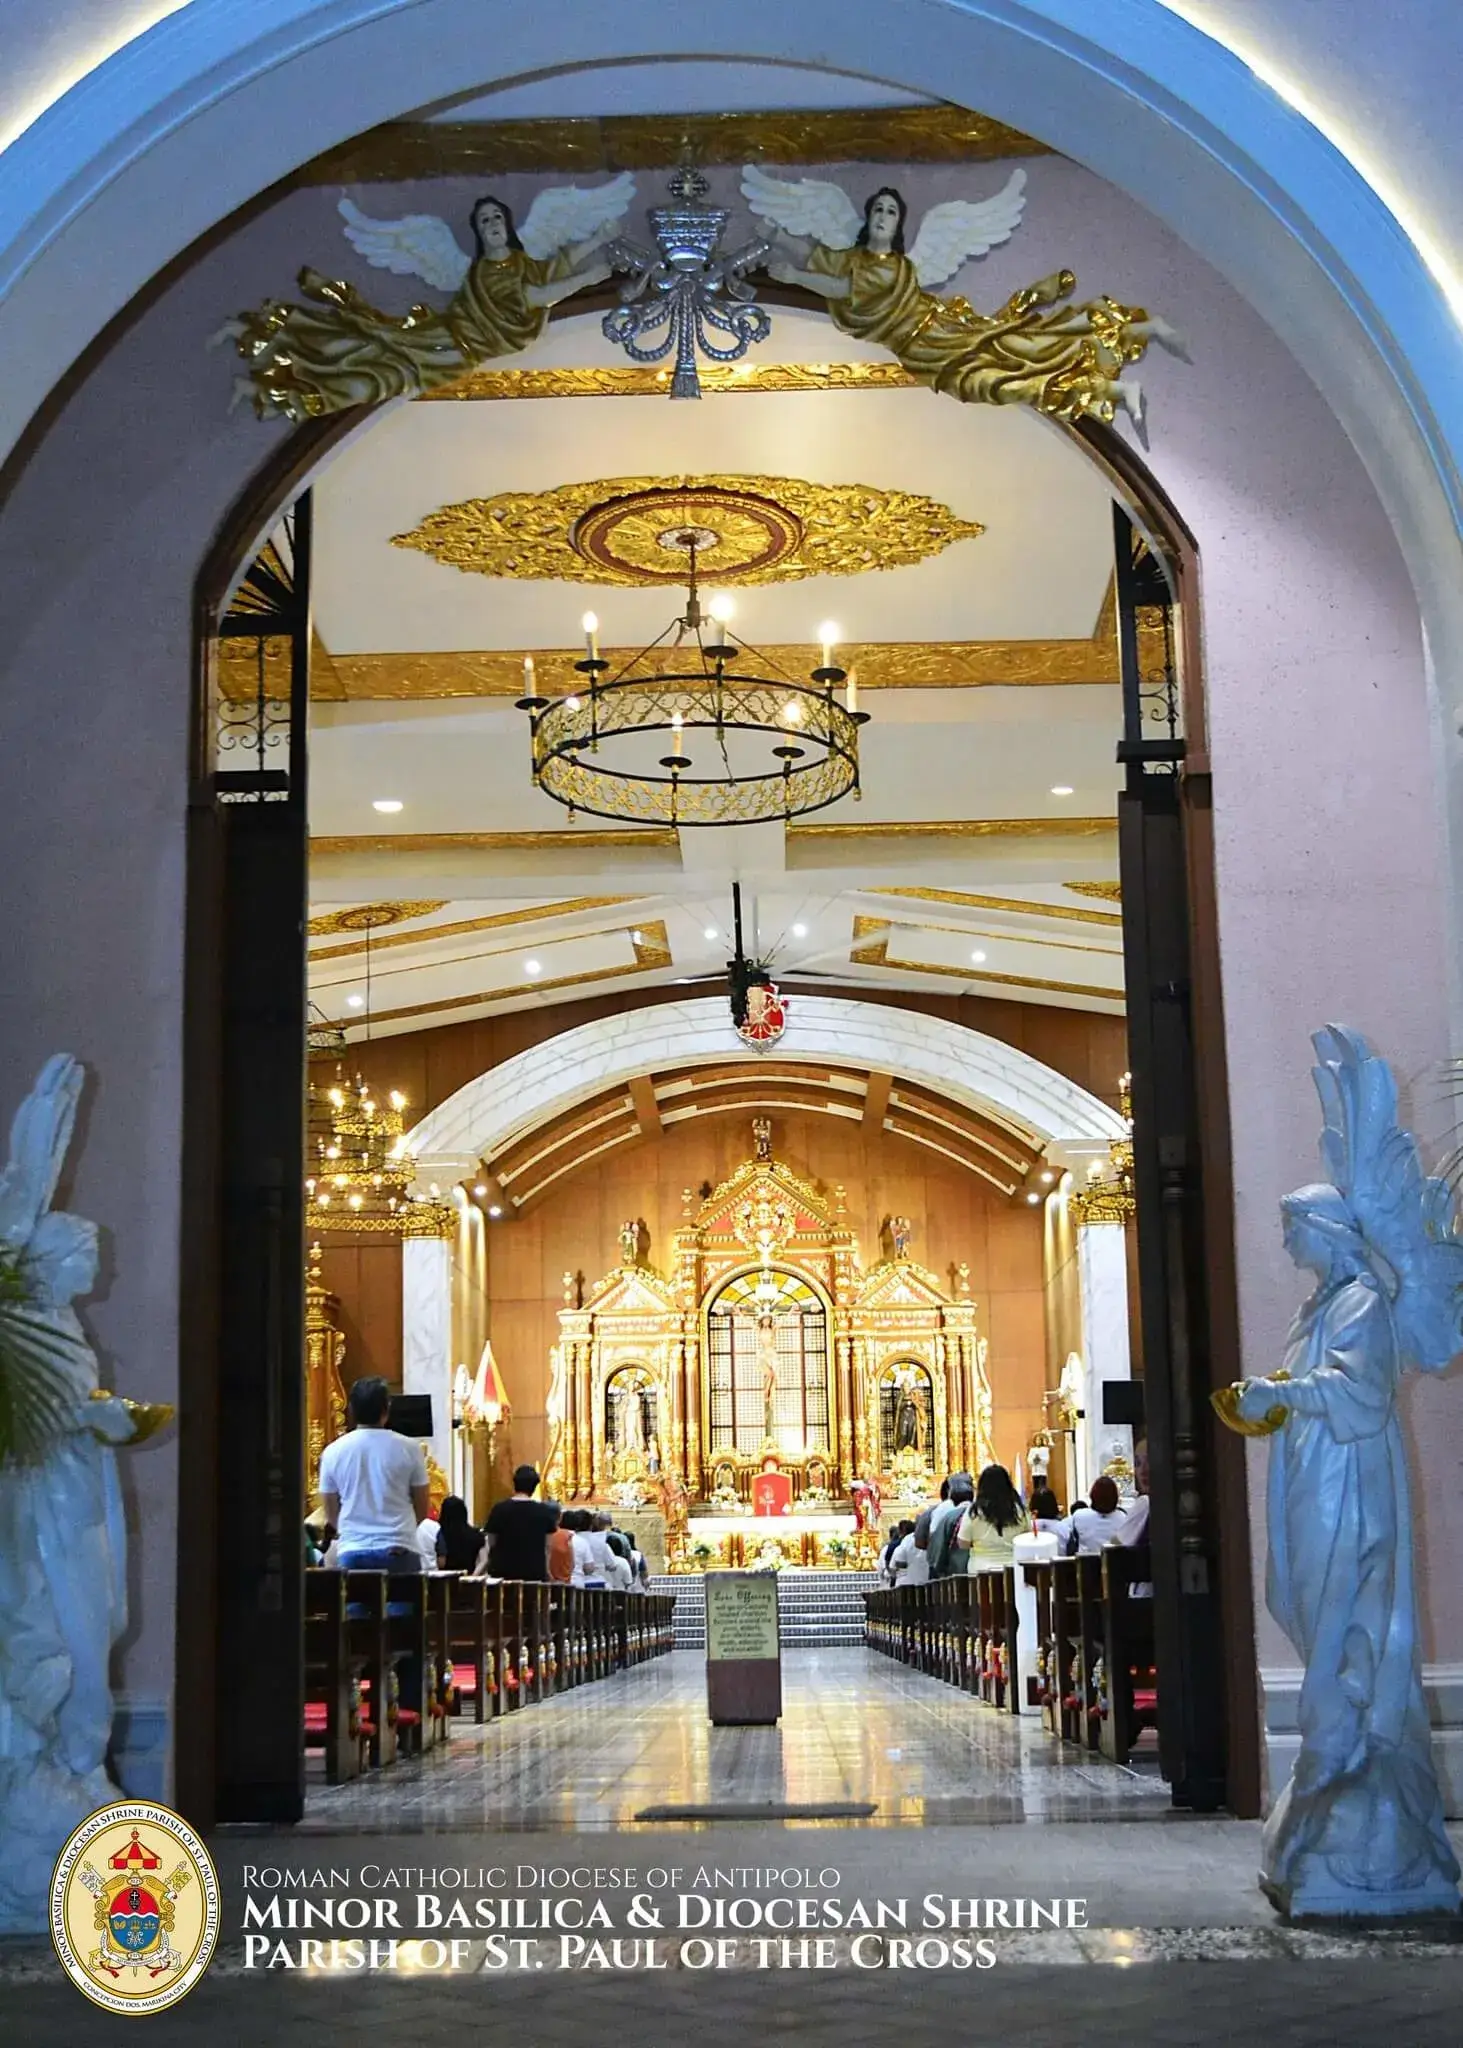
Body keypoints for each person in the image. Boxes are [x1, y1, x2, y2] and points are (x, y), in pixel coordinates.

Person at [318, 1376, 430, 1577]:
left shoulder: (333, 1452)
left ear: (351, 1410)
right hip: (399, 1545)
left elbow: (330, 1510)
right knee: (401, 1607)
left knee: (354, 1607)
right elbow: (422, 1506)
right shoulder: (410, 1448)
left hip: (353, 1548)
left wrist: (350, 1530)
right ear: (386, 1409)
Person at [482, 1465, 560, 1581]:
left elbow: (491, 1542)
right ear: (534, 1486)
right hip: (533, 1572)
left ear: (515, 1483)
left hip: (502, 1572)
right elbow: (547, 1547)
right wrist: (547, 1571)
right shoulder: (544, 1511)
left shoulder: (499, 1509)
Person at [954, 1464, 1031, 1568]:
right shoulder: (1019, 1510)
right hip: (1012, 1566)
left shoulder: (974, 1511)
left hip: (981, 1567)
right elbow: (1028, 1537)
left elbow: (963, 1542)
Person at [1035, 1473, 1127, 1553]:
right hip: (1115, 1568)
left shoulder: (1080, 1516)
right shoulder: (1124, 1518)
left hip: (1086, 1568)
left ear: (1093, 1495)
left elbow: (1061, 1530)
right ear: (1115, 1497)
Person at [927, 1471, 975, 1577]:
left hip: (956, 1570)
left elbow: (938, 1547)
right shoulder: (980, 1512)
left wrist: (937, 1568)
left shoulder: (948, 1515)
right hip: (977, 1566)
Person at [436, 1494, 486, 1574]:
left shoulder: (439, 1534)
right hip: (468, 1577)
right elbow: (484, 1560)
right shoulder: (476, 1536)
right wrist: (473, 1577)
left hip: (445, 1581)